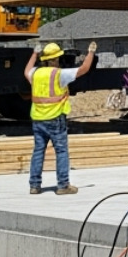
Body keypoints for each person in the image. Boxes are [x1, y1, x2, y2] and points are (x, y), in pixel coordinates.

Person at [24, 40, 96, 195]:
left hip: (37, 118)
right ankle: (63, 185)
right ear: (56, 59)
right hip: (55, 118)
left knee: (38, 151)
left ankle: (34, 185)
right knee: (61, 151)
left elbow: (26, 71)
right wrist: (91, 52)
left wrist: (34, 54)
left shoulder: (35, 73)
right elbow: (84, 69)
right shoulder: (59, 74)